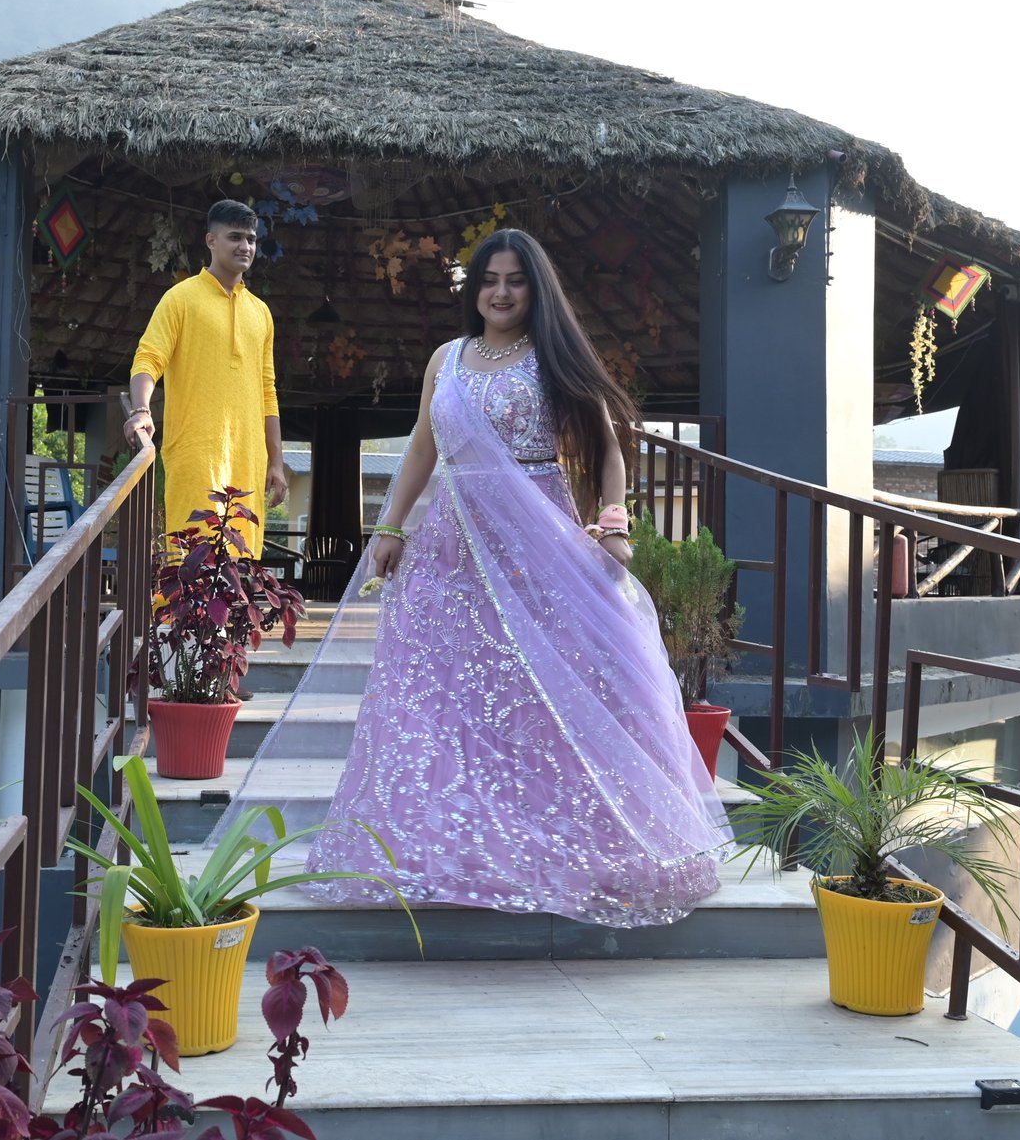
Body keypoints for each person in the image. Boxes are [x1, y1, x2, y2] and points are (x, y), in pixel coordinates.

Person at [239, 228, 729, 928]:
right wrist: (390, 526)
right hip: (449, 544)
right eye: (490, 279)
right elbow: (422, 447)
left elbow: (609, 447)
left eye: (516, 281)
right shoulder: (448, 359)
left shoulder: (551, 358)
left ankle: (549, 844)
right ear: (474, 288)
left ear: (536, 291)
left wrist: (614, 525)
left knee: (532, 697)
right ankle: (445, 845)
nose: (501, 292)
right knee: (438, 693)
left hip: (536, 545)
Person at [125, 200, 288, 555]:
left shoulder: (261, 313)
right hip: (195, 453)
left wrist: (275, 462)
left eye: (251, 239)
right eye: (235, 237)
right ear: (211, 241)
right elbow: (149, 358)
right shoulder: (180, 299)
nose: (245, 247)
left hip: (249, 459)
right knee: (190, 563)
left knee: (240, 571)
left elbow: (267, 392)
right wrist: (141, 409)